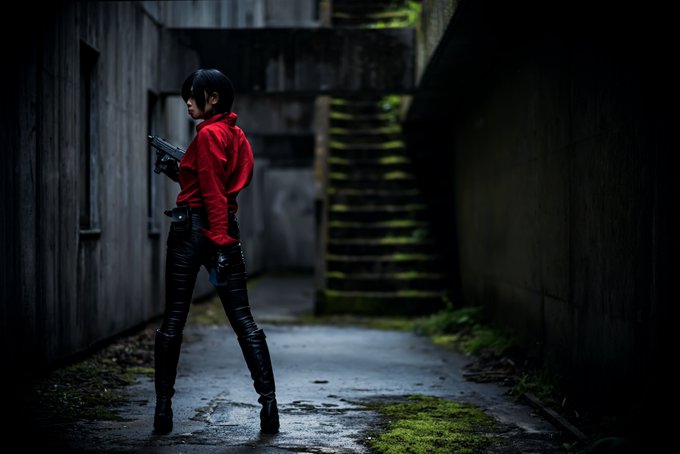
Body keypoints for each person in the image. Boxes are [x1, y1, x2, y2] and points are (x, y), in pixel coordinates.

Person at [153, 68, 279, 435]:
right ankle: (269, 406)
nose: (187, 103)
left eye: (193, 95)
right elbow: (217, 184)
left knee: (173, 321)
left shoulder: (208, 135)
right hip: (222, 229)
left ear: (213, 98)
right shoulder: (236, 136)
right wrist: (178, 171)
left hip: (195, 231)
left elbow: (211, 193)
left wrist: (220, 241)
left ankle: (163, 410)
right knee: (244, 321)